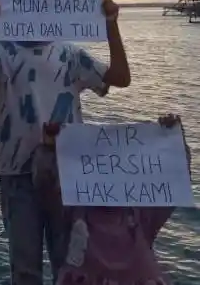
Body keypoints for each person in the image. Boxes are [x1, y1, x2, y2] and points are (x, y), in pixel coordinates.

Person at [0, 0, 132, 285]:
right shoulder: (3, 51)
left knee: (67, 265)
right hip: (16, 173)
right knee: (25, 269)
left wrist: (111, 23)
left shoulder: (71, 54)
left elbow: (120, 78)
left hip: (65, 175)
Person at [33, 115, 186, 285]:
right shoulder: (75, 210)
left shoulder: (141, 215)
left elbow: (175, 180)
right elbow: (45, 186)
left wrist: (175, 138)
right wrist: (48, 147)